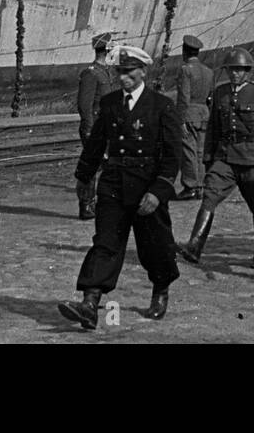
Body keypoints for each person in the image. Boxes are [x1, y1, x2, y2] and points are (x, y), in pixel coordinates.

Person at [58, 46, 181, 329]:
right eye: (119, 72)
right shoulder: (111, 102)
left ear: (142, 72)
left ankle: (161, 288)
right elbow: (96, 144)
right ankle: (90, 303)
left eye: (128, 72)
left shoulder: (161, 106)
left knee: (155, 247)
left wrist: (158, 192)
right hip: (113, 184)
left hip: (147, 187)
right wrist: (84, 177)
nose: (123, 77)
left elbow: (172, 157)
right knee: (106, 242)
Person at [178, 48, 254, 268]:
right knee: (209, 197)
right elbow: (213, 127)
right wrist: (209, 159)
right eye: (231, 70)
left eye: (239, 70)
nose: (234, 74)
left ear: (247, 71)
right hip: (225, 159)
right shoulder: (221, 92)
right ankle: (194, 247)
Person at [75, 34, 116, 220]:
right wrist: (89, 130)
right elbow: (85, 105)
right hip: (95, 129)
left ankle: (104, 204)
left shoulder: (107, 72)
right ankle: (86, 205)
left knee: (108, 166)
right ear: (106, 50)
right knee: (91, 168)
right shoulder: (91, 73)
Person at [173, 35, 215, 201]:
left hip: (189, 113)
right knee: (200, 151)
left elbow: (184, 96)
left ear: (184, 51)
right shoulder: (209, 71)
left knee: (188, 151)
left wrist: (181, 119)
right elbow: (211, 96)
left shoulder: (185, 70)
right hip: (204, 113)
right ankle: (200, 186)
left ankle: (190, 186)